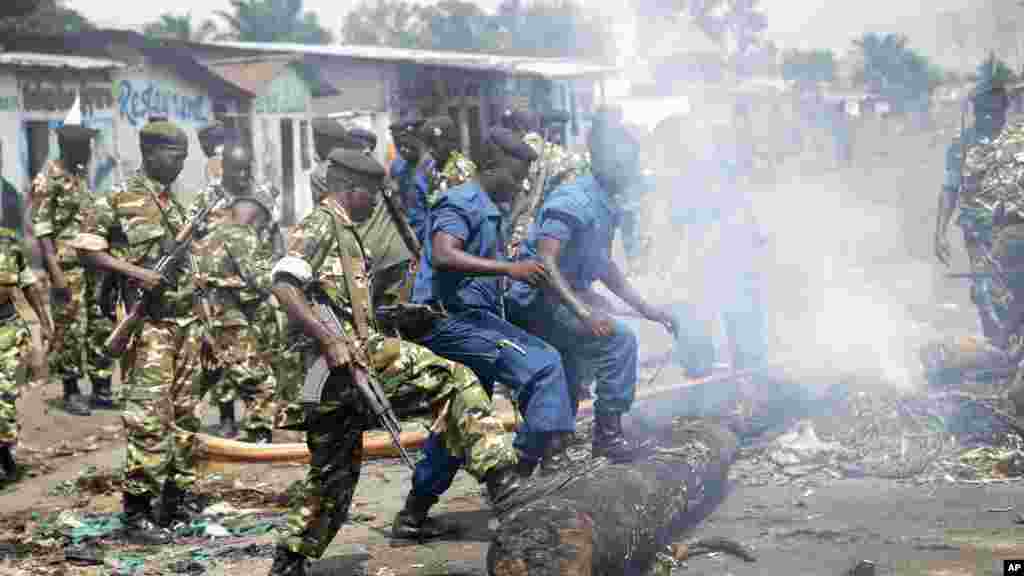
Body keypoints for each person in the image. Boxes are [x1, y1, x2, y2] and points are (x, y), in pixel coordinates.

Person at [267, 148, 523, 576]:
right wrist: (330, 340)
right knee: (454, 380)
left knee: (333, 478)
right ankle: (504, 484)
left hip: (335, 371)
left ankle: (287, 562)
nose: (377, 203)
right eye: (373, 194)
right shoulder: (320, 224)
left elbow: (340, 301)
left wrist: (397, 316)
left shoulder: (346, 230)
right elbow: (284, 283)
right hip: (331, 364)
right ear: (353, 190)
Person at [392, 127, 573, 540]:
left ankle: (412, 515)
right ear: (494, 165)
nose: (522, 182)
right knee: (544, 364)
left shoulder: (490, 207)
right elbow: (443, 253)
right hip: (450, 321)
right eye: (518, 172)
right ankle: (517, 477)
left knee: (457, 422)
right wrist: (509, 269)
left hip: (472, 320)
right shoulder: (462, 200)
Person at [506, 109, 677, 462]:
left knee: (565, 380)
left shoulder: (604, 201)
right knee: (619, 341)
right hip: (535, 299)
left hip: (558, 296)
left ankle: (529, 458)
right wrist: (586, 314)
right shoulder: (573, 200)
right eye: (625, 162)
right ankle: (608, 437)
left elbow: (603, 266)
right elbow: (545, 264)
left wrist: (649, 310)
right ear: (603, 159)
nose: (631, 170)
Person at [73, 118, 208, 544]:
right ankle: (137, 512)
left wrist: (205, 320)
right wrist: (136, 273)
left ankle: (176, 499)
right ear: (150, 152)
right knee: (150, 420)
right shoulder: (116, 198)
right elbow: (86, 251)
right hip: (147, 325)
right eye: (174, 154)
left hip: (186, 324)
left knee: (186, 417)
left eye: (186, 156)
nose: (181, 163)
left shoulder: (180, 203)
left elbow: (191, 265)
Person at [197, 143, 278, 441]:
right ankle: (228, 418)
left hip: (254, 292)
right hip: (224, 293)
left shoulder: (261, 196)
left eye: (247, 169)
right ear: (224, 169)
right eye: (237, 170)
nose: (243, 175)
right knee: (227, 358)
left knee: (258, 358)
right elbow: (196, 242)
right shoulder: (207, 199)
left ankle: (259, 424)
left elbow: (273, 236)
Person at [935, 59, 1012, 340]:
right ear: (975, 112)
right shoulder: (962, 144)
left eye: (995, 112)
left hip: (1016, 230)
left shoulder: (1018, 142)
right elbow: (950, 187)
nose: (990, 119)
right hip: (979, 231)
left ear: (1005, 110)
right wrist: (940, 233)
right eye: (983, 113)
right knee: (985, 290)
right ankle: (998, 345)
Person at [30, 115, 100, 415]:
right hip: (65, 264)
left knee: (90, 324)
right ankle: (70, 390)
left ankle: (98, 386)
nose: (90, 150)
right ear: (71, 147)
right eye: (85, 146)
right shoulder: (50, 177)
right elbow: (42, 228)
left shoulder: (79, 173)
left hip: (88, 262)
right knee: (69, 327)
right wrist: (55, 272)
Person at [0, 224, 52, 486]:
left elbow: (28, 282)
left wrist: (43, 321)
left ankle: (4, 456)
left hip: (6, 331)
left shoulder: (8, 241)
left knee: (3, 395)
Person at [389, 120, 431, 247]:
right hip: (412, 232)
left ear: (419, 140)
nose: (403, 150)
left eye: (407, 144)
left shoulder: (432, 165)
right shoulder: (397, 166)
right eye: (398, 145)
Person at [421, 115, 476, 210]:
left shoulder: (463, 167)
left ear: (449, 142)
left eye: (434, 145)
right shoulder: (431, 168)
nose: (430, 150)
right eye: (428, 145)